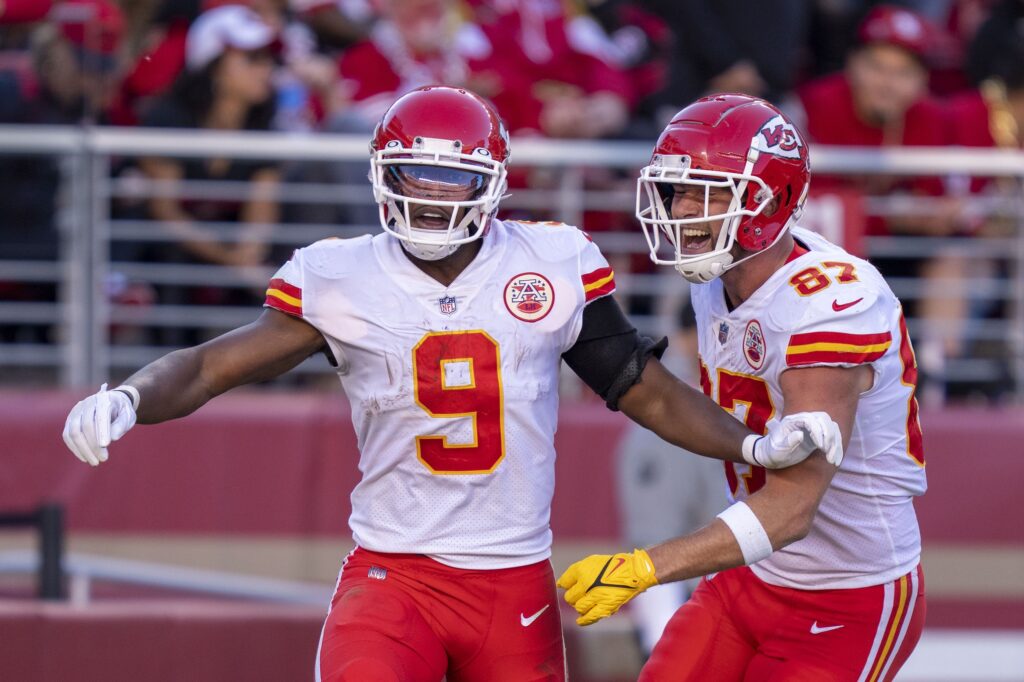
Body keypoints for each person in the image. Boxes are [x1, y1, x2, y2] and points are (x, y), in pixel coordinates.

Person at [62, 86, 841, 682]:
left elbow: (641, 386)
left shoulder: (550, 261)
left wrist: (750, 441)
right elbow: (208, 365)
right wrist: (129, 395)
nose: (431, 195)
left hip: (514, 581)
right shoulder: (343, 276)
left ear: (493, 182)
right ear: (382, 174)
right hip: (393, 574)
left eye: (451, 177)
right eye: (415, 176)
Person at [558, 94, 927, 681]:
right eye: (676, 190)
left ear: (767, 197)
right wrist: (752, 447)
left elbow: (791, 508)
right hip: (751, 575)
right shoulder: (719, 278)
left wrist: (648, 566)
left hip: (848, 591)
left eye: (704, 191)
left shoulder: (830, 303)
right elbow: (668, 398)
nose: (681, 210)